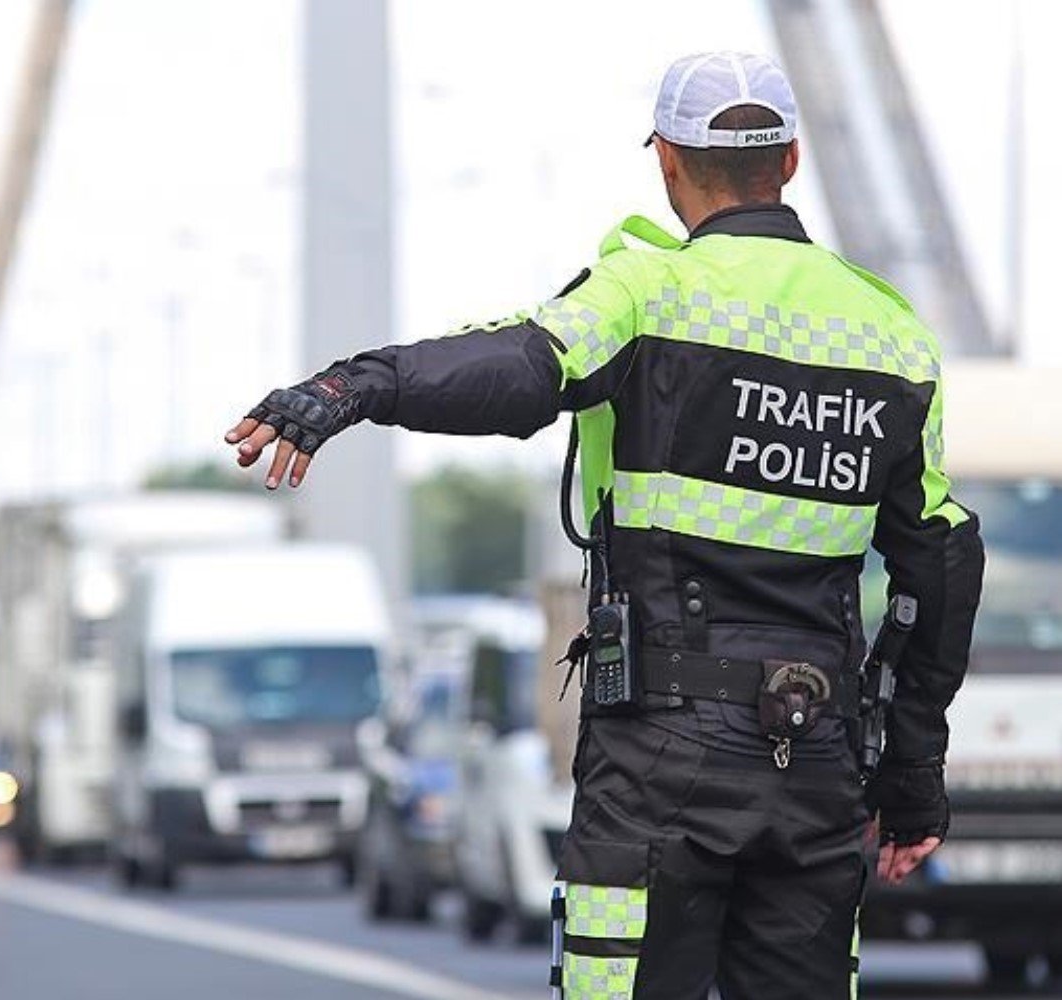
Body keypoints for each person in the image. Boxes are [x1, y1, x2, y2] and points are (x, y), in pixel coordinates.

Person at [225, 51, 984, 1000]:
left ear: (667, 160)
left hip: (661, 761)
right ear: (790, 161)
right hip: (817, 760)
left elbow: (515, 369)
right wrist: (912, 775)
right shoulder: (893, 337)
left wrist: (352, 388)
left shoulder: (646, 292)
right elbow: (942, 564)